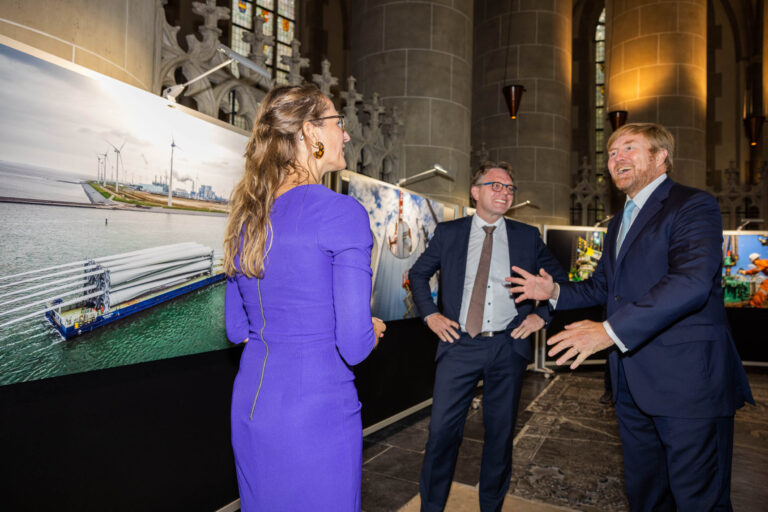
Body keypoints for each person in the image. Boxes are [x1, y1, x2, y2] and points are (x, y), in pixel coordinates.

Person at [508, 122, 754, 511]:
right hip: (631, 385)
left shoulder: (693, 204)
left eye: (629, 148)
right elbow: (602, 288)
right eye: (611, 153)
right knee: (646, 497)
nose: (616, 158)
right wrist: (552, 291)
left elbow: (690, 282)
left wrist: (609, 330)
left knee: (698, 500)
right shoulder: (620, 221)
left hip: (687, 384)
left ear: (660, 158)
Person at [223, 84, 386, 511]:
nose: (345, 135)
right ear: (311, 133)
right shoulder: (341, 211)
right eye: (339, 123)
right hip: (317, 413)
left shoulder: (246, 218)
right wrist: (371, 329)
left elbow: (236, 327)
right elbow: (353, 344)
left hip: (252, 406)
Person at [409, 162, 567, 512]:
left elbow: (559, 283)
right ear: (475, 191)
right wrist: (431, 314)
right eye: (495, 185)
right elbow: (418, 274)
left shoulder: (527, 237)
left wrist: (541, 316)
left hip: (507, 346)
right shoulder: (450, 233)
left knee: (499, 436)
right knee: (441, 435)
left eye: (510, 188)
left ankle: (491, 507)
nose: (504, 192)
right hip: (458, 344)